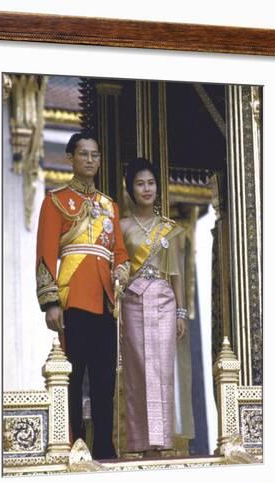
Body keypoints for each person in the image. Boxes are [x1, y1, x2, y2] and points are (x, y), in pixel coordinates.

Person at [36, 132, 130, 460]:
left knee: (104, 380)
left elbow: (119, 252)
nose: (90, 160)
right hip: (73, 299)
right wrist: (50, 303)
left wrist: (122, 270)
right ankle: (75, 446)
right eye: (83, 154)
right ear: (70, 158)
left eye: (95, 154)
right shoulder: (56, 201)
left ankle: (104, 447)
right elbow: (46, 253)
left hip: (105, 301)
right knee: (73, 381)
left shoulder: (110, 206)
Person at [120, 157, 187, 456]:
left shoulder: (169, 229)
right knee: (137, 372)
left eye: (151, 183)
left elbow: (176, 273)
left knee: (161, 371)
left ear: (157, 187)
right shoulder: (121, 227)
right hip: (132, 301)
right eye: (140, 183)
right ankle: (140, 443)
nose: (146, 189)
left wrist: (181, 312)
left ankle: (160, 443)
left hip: (163, 300)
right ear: (130, 189)